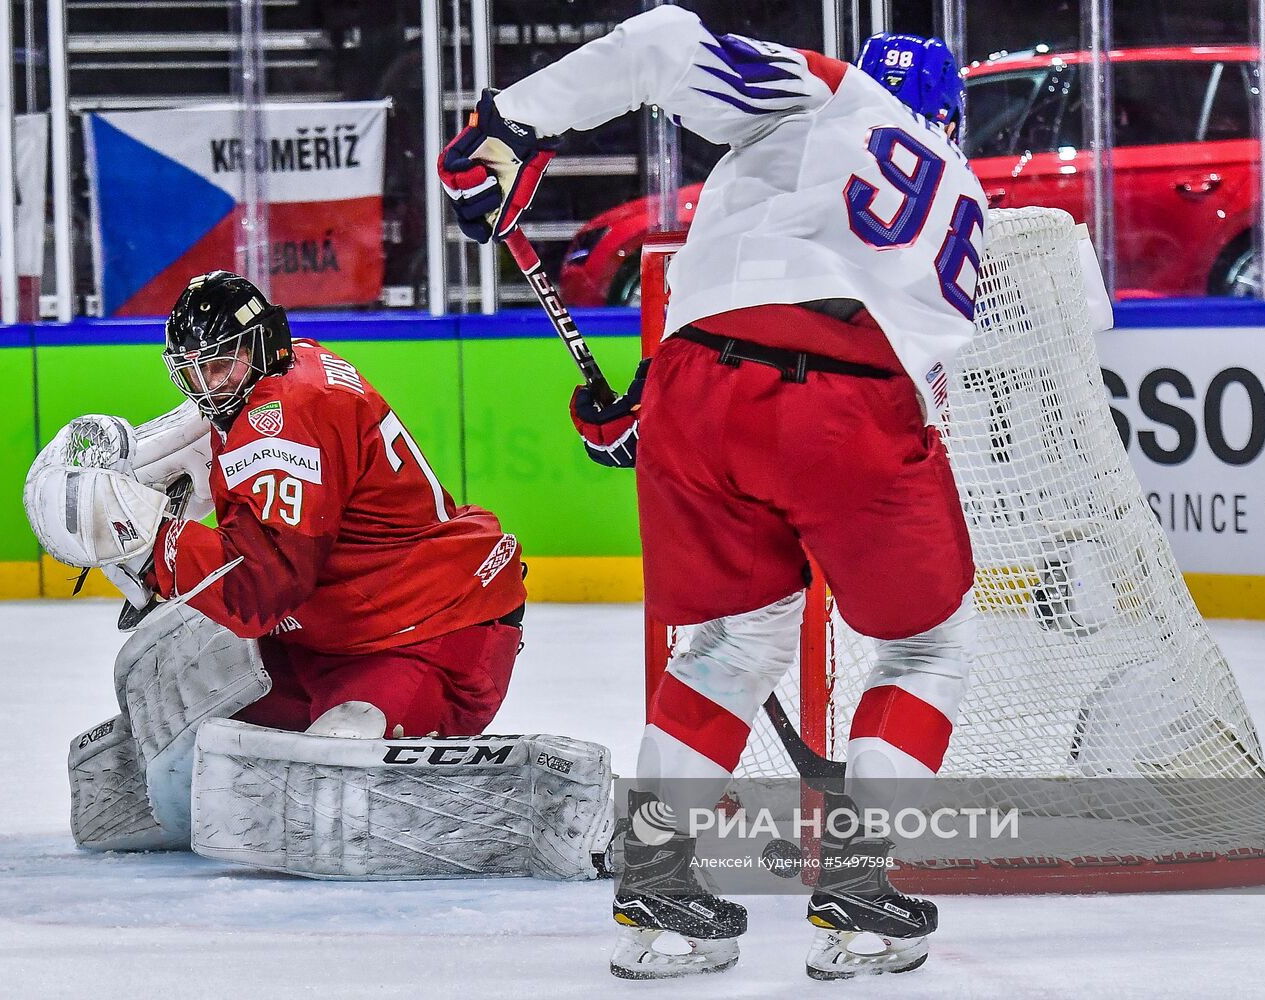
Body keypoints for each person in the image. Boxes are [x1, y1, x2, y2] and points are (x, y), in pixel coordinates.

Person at [440, 9, 985, 981]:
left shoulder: (824, 89)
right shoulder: (960, 194)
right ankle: (861, 887)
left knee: (733, 643)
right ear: (945, 119)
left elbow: (660, 42)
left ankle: (658, 885)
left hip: (694, 389)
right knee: (925, 641)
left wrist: (511, 121)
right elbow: (901, 374)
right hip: (856, 396)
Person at [142, 271, 526, 741]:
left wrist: (151, 543)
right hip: (340, 635)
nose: (207, 386)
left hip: (428, 632)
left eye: (220, 366)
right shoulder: (291, 365)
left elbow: (259, 590)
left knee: (330, 766)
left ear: (259, 347)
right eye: (192, 371)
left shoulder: (285, 415)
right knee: (185, 713)